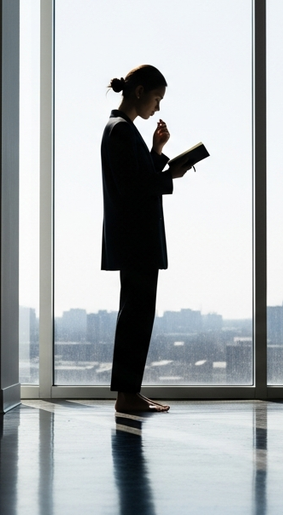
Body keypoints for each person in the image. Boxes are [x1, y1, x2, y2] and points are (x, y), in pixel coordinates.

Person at [101, 64, 191, 413]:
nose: (158, 107)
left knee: (137, 315)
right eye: (156, 98)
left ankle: (130, 393)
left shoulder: (123, 130)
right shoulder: (121, 131)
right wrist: (172, 176)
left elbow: (136, 178)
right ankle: (126, 396)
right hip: (136, 240)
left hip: (134, 239)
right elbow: (133, 188)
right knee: (136, 317)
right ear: (139, 92)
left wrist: (157, 151)